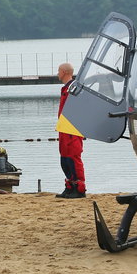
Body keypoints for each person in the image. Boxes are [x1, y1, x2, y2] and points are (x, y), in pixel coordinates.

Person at [56, 63, 86, 199]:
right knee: (65, 159)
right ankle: (70, 186)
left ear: (64, 72)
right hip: (64, 128)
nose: (57, 73)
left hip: (72, 129)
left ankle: (79, 189)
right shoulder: (66, 89)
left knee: (74, 157)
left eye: (58, 71)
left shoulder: (74, 88)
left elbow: (79, 109)